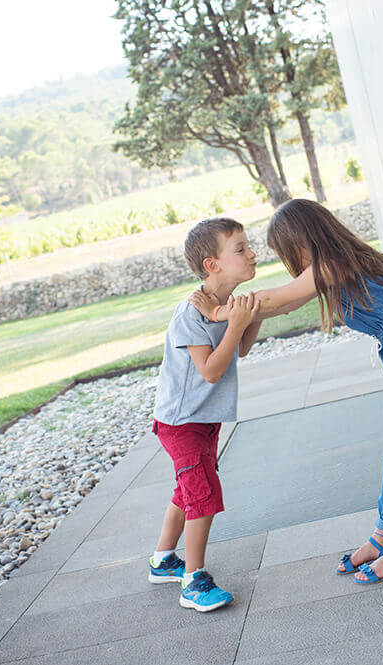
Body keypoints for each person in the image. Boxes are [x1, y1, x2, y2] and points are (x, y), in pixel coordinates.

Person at [189, 198, 383, 585]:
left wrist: (217, 312)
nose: (288, 260)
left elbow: (272, 299)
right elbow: (281, 308)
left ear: (303, 239)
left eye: (286, 250)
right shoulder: (334, 265)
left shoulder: (331, 264)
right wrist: (237, 313)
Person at [149, 216, 260, 611]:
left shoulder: (227, 304)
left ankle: (164, 561)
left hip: (201, 420)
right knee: (203, 494)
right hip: (181, 424)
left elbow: (240, 348)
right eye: (241, 249)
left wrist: (246, 318)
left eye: (249, 246)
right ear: (212, 265)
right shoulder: (190, 314)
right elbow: (211, 371)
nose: (252, 254)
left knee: (187, 490)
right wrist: (234, 321)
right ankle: (193, 582)